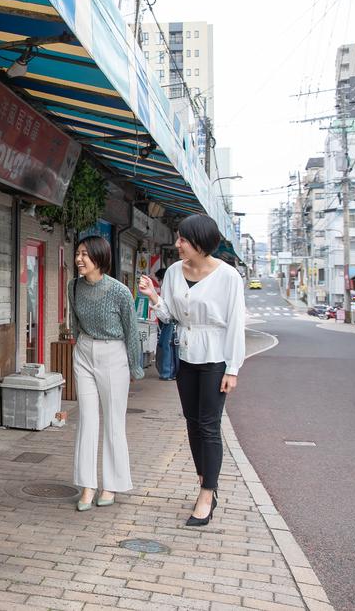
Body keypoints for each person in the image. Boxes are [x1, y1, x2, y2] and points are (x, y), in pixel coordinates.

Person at [138, 214, 246, 527]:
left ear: (200, 242)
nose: (177, 244)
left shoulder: (228, 277)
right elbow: (170, 315)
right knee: (192, 422)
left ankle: (207, 492)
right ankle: (206, 476)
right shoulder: (174, 271)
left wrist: (233, 368)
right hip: (186, 355)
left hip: (216, 358)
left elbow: (236, 323)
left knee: (209, 425)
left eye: (183, 239)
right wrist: (154, 297)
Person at [69, 236, 144, 512]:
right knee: (87, 419)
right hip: (84, 351)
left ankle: (111, 484)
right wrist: (80, 345)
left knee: (113, 422)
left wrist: (135, 366)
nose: (79, 259)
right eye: (78, 253)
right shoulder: (73, 286)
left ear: (100, 258)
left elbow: (132, 331)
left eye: (85, 254)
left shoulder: (120, 292)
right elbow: (75, 322)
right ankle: (87, 485)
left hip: (114, 354)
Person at [154, 267, 179, 381]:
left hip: (170, 321)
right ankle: (168, 371)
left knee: (167, 345)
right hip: (170, 321)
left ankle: (167, 372)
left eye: (159, 279)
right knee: (167, 345)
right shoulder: (173, 287)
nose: (159, 282)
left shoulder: (169, 288)